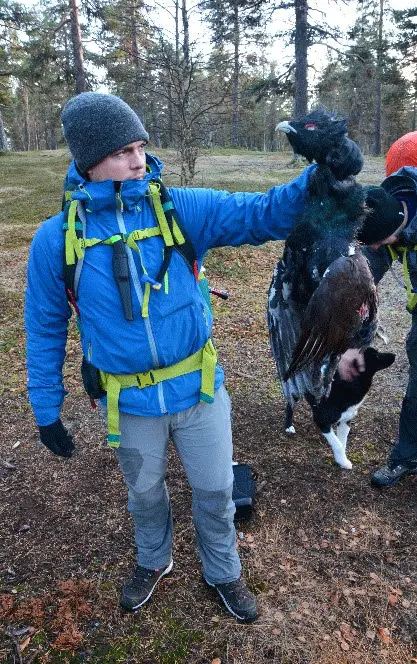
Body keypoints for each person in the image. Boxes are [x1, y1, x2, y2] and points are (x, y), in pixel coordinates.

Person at [24, 92, 363, 622]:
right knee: (144, 495)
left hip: (199, 390)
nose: (138, 159)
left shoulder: (178, 208)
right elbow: (44, 328)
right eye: (122, 151)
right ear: (90, 160)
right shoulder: (55, 241)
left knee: (215, 489)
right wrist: (46, 406)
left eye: (140, 146)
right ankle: (153, 560)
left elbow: (263, 214)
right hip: (129, 402)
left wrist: (327, 173)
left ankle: (223, 570)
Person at [340, 144, 417, 496]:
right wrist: (354, 343)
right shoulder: (382, 213)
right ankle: (406, 457)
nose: (382, 248)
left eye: (386, 242)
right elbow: (364, 287)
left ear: (401, 221)